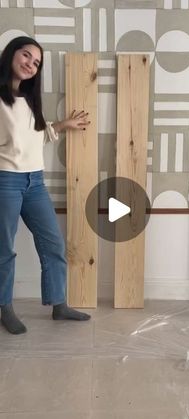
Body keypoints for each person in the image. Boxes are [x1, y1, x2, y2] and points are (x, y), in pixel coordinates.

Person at [0, 36, 91, 335]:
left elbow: (35, 135)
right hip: (6, 182)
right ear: (11, 55)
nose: (30, 64)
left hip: (35, 181)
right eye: (26, 56)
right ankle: (5, 308)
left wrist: (63, 125)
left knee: (53, 243)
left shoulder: (29, 99)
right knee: (4, 250)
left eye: (36, 63)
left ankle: (59, 305)